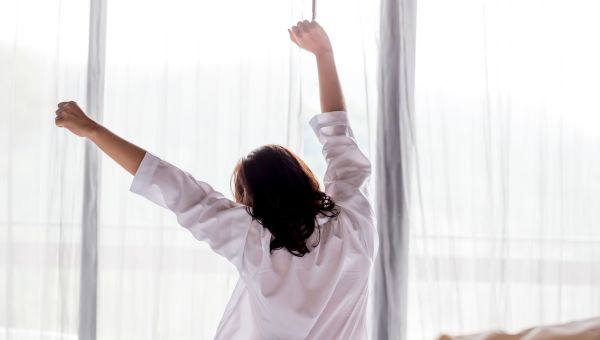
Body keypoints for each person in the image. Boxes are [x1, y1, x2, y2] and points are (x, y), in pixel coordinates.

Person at [54, 20, 378, 340]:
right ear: (302, 175)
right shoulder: (354, 222)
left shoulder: (253, 240)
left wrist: (94, 131)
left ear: (252, 202)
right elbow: (339, 137)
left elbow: (172, 185)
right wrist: (323, 53)